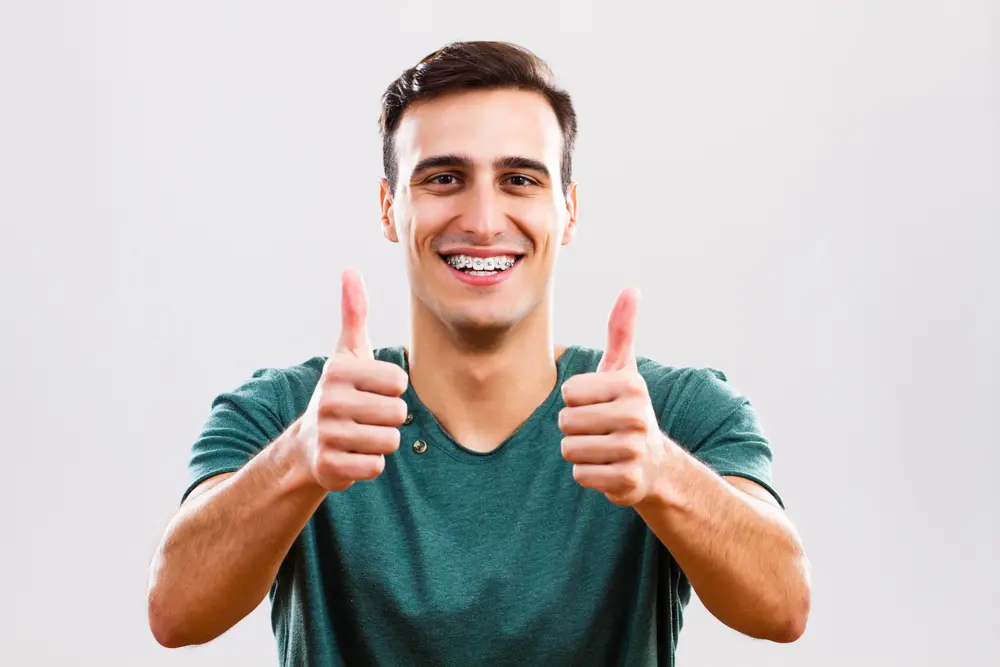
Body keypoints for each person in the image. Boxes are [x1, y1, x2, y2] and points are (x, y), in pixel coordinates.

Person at [147, 40, 811, 666]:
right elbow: (175, 610)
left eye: (520, 178)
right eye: (443, 178)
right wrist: (297, 462)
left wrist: (665, 473)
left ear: (568, 211)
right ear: (389, 208)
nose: (484, 219)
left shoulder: (665, 413)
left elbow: (784, 604)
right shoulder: (293, 413)